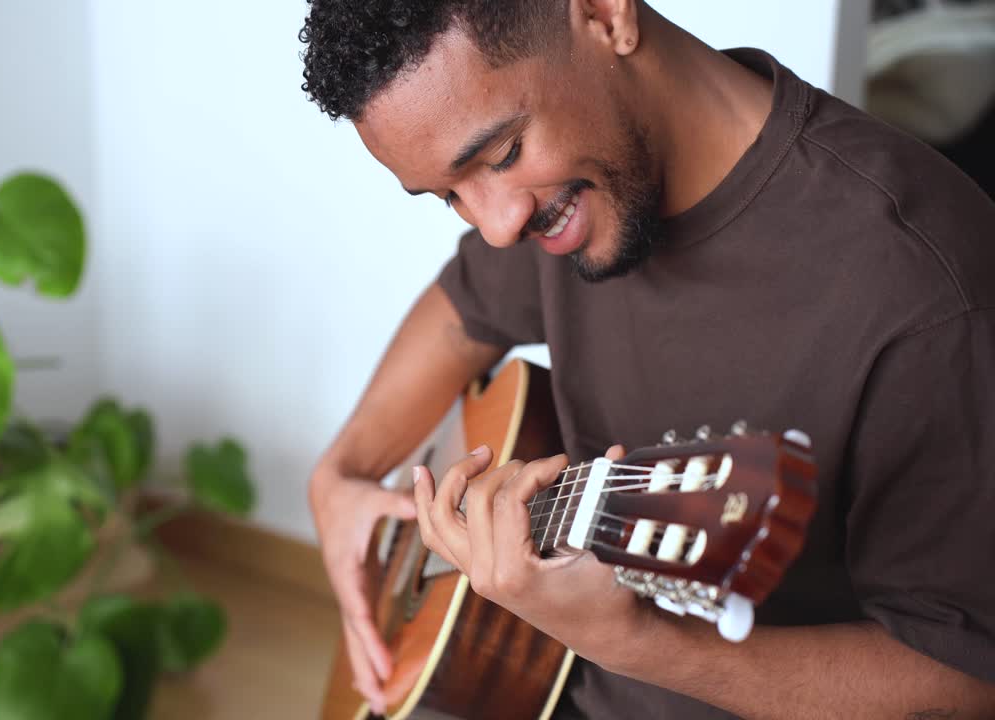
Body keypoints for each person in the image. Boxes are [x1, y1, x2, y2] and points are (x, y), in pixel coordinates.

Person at [299, 0, 995, 718]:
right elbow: (461, 309)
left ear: (605, 16)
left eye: (503, 154)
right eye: (449, 195)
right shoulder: (571, 194)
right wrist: (339, 474)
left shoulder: (921, 286)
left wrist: (638, 643)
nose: (498, 226)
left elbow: (968, 682)